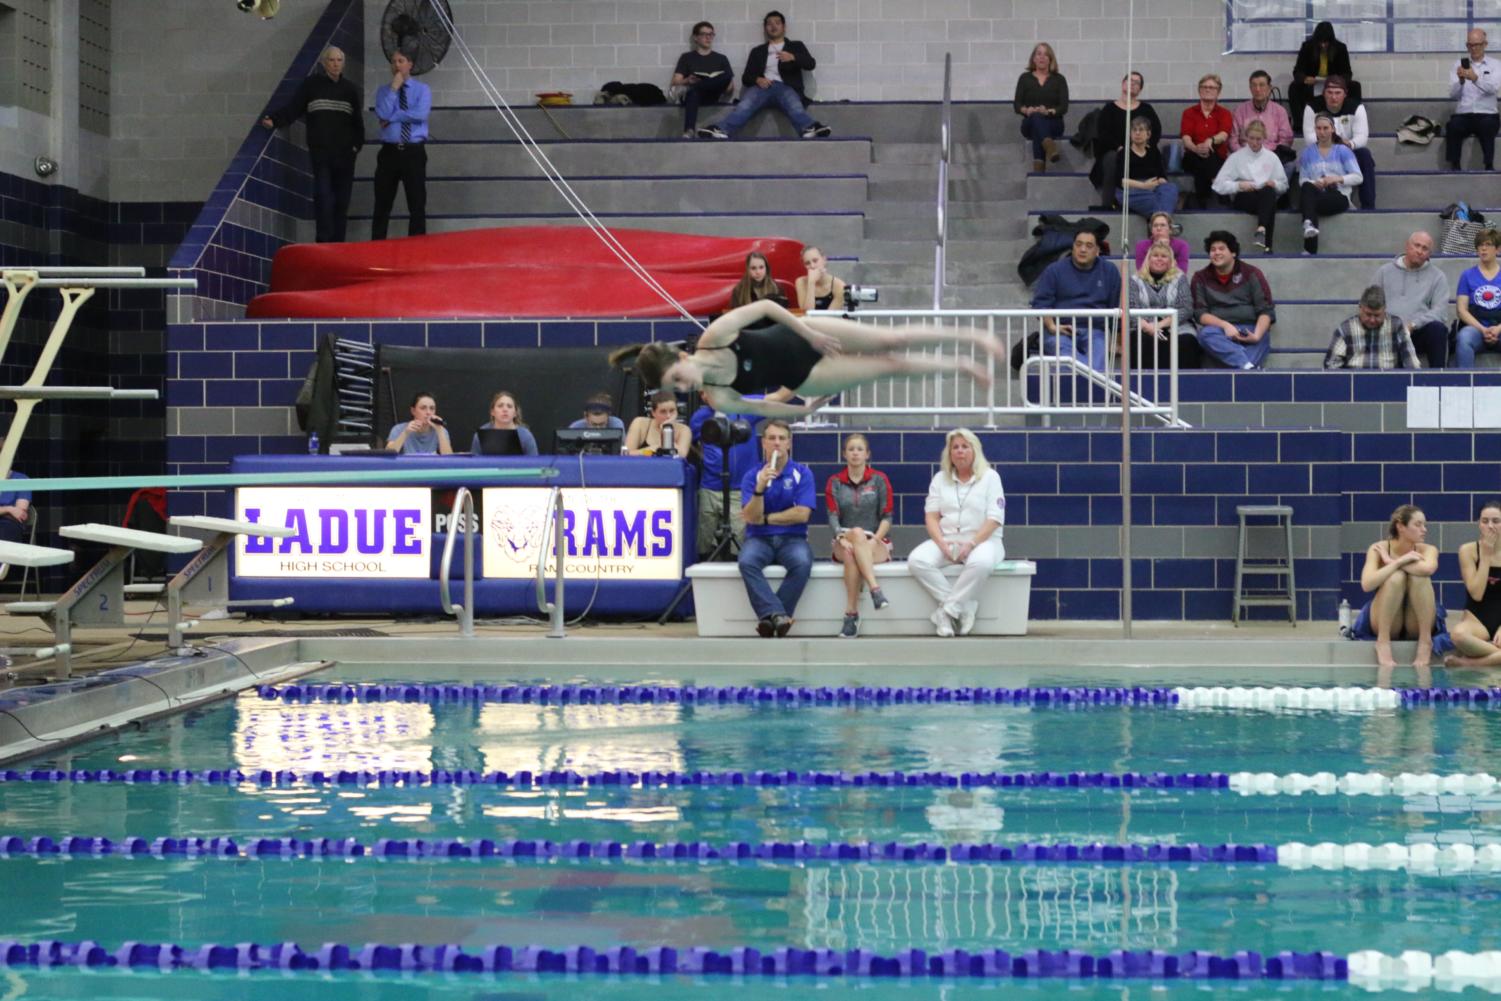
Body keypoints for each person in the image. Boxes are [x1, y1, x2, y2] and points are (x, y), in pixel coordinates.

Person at [609, 299, 1001, 419]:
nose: (684, 389)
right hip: (806, 376)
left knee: (890, 339)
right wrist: (804, 411)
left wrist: (810, 331)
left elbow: (765, 305)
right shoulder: (721, 396)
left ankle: (971, 335)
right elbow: (765, 408)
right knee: (889, 368)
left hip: (802, 335)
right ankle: (962, 367)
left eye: (678, 378)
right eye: (675, 390)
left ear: (682, 355)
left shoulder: (714, 338)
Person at [260, 46, 363, 243]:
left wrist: (355, 147)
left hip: (345, 156)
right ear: (324, 63)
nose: (335, 64)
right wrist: (275, 119)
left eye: (339, 60)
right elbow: (294, 107)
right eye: (331, 60)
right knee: (323, 197)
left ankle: (338, 244)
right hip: (321, 154)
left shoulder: (350, 90)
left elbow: (358, 124)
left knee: (341, 202)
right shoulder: (312, 85)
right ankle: (323, 242)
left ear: (343, 64)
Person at [909, 428, 1005, 638]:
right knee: (917, 560)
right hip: (948, 539)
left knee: (981, 563)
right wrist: (942, 543)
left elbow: (994, 519)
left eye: (965, 446)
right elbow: (931, 516)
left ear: (974, 450)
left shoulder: (990, 477)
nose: (960, 451)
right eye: (955, 447)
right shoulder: (940, 478)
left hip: (983, 541)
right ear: (949, 453)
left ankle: (946, 612)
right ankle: (965, 607)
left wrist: (971, 544)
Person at [696, 11, 830, 140]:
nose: (773, 26)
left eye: (777, 23)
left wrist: (793, 57)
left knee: (793, 103)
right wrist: (757, 79)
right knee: (745, 105)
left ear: (784, 27)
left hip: (786, 87)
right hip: (763, 88)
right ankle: (721, 130)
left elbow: (811, 64)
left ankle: (810, 128)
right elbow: (746, 77)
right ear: (765, 28)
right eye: (769, 24)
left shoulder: (795, 46)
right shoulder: (758, 51)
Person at [689, 391, 789, 558]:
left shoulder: (743, 407)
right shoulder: (700, 418)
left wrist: (803, 381)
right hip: (710, 488)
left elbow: (777, 398)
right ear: (703, 396)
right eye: (707, 392)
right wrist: (703, 457)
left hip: (739, 489)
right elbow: (690, 440)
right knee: (703, 542)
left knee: (739, 545)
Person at [738, 419, 815, 637]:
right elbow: (751, 517)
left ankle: (770, 616)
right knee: (746, 562)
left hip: (793, 538)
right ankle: (780, 616)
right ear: (763, 443)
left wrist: (765, 519)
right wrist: (760, 489)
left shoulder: (802, 473)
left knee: (802, 562)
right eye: (771, 438)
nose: (777, 443)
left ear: (789, 443)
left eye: (782, 439)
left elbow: (802, 514)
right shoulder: (752, 476)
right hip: (758, 539)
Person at [825, 433, 894, 638]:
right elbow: (832, 516)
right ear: (844, 454)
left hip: (875, 540)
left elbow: (887, 517)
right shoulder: (835, 482)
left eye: (859, 449)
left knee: (852, 551)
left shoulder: (879, 479)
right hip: (843, 539)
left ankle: (851, 615)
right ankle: (875, 589)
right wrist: (840, 536)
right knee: (853, 536)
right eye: (851, 449)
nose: (855, 453)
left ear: (867, 454)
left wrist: (873, 539)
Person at [1356, 504, 1439, 673]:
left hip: (1415, 621)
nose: (1424, 530)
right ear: (1400, 526)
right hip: (1386, 621)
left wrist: (1390, 561)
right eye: (1418, 524)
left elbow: (1428, 569)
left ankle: (1425, 641)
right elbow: (1367, 584)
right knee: (1395, 577)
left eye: (1424, 525)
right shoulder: (1379, 548)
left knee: (1420, 578)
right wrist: (1398, 562)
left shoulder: (1428, 549)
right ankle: (1383, 641)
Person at [1031, 228, 1121, 372]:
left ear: (1097, 250)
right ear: (1072, 247)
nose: (1083, 249)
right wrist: (1053, 327)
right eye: (1078, 244)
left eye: (1089, 246)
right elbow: (1041, 305)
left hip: (1095, 331)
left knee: (1098, 365)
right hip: (1060, 330)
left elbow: (1116, 309)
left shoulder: (1109, 271)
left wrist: (1117, 342)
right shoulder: (1054, 270)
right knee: (1069, 363)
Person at [1190, 230, 1275, 370]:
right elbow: (1200, 314)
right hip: (1219, 333)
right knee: (1205, 335)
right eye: (1213, 250)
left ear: (1233, 252)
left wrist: (1256, 335)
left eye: (1221, 249)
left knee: (1263, 337)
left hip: (1251, 328)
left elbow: (1266, 310)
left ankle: (1244, 366)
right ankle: (1246, 366)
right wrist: (1225, 325)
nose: (1216, 253)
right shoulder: (1200, 277)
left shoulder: (1252, 273)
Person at [370, 48, 430, 241]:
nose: (397, 65)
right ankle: (378, 245)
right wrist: (394, 89)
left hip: (413, 151)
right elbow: (382, 114)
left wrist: (393, 117)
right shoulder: (383, 91)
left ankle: (417, 246)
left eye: (401, 61)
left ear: (409, 64)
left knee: (416, 202)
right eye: (394, 62)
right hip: (390, 152)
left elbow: (420, 115)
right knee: (382, 202)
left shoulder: (422, 90)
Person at [1375, 232, 1451, 369]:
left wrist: (1413, 325)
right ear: (1407, 246)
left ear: (1429, 254)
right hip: (1389, 331)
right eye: (1417, 245)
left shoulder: (1438, 276)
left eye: (1425, 248)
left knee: (1438, 329)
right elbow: (1372, 302)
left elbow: (1440, 312)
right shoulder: (1384, 272)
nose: (1420, 251)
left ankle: (1439, 377)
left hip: (1418, 331)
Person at [1212, 120, 1288, 253]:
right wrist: (1239, 185)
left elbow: (1284, 185)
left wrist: (1274, 183)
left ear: (1264, 138)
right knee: (1269, 203)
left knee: (1269, 193)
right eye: (1251, 138)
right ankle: (1267, 246)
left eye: (1258, 139)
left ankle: (1261, 228)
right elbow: (1218, 185)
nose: (1254, 142)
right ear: (1246, 137)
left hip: (1264, 195)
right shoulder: (1236, 157)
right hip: (1244, 196)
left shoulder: (1271, 157)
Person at [1128, 240, 1202, 370]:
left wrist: (1159, 325)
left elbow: (1186, 308)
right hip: (1144, 326)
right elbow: (1130, 309)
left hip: (1177, 326)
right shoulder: (1135, 280)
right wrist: (1148, 327)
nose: (1159, 259)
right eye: (1155, 255)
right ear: (1148, 259)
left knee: (1186, 342)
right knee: (1140, 340)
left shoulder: (1180, 278)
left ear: (1170, 260)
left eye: (1164, 256)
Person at [1090, 71, 1160, 208]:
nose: (1133, 84)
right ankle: (1109, 203)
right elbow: (1103, 134)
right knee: (1112, 159)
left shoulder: (1146, 109)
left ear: (1140, 89)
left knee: (1154, 157)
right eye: (1130, 80)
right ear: (1123, 84)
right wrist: (1119, 148)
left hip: (1141, 149)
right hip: (1115, 151)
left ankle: (1151, 199)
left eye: (1137, 83)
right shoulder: (1109, 108)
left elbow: (1155, 131)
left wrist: (1140, 147)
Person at [1303, 76, 1375, 210]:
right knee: (1307, 155)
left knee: (1365, 155)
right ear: (1324, 93)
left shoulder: (1356, 107)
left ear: (1345, 94)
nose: (1333, 97)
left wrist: (1349, 145)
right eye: (1329, 93)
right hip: (1322, 150)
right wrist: (1334, 145)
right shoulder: (1312, 107)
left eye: (1337, 93)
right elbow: (1309, 138)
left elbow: (1362, 137)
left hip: (1347, 151)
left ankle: (1368, 207)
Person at [1296, 113, 1362, 255]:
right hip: (1317, 194)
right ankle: (1308, 223)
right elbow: (1302, 180)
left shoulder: (1343, 151)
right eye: (1319, 128)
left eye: (1326, 128)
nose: (1322, 132)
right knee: (1307, 188)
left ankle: (1309, 246)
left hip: (1339, 196)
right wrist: (1316, 183)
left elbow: (1358, 177)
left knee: (1307, 204)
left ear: (1332, 129)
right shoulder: (1307, 153)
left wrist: (1336, 179)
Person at [1447, 500, 1501, 668]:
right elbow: (1476, 594)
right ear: (1479, 524)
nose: (1490, 526)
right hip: (1477, 619)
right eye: (1485, 521)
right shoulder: (1468, 550)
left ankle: (1469, 664)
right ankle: (1496, 658)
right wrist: (1485, 556)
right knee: (1458, 635)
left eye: (1496, 521)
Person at [1323, 286, 1422, 370]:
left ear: (1384, 310)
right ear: (1360, 308)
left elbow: (1411, 364)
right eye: (1368, 314)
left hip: (1389, 383)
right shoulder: (1345, 329)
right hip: (1355, 384)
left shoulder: (1396, 326)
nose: (1372, 320)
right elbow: (1331, 365)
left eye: (1377, 315)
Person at [1448, 29, 1500, 171]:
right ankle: (1455, 165)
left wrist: (1475, 78)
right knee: (1453, 126)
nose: (1474, 48)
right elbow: (1453, 95)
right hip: (1465, 113)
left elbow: (1493, 89)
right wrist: (1461, 81)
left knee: (1488, 126)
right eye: (1470, 45)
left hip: (1487, 113)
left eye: (1477, 44)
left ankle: (1488, 165)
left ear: (1485, 44)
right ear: (1467, 46)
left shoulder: (1496, 65)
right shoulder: (1458, 65)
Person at [1179, 74, 1233, 209]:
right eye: (1204, 87)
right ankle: (1221, 191)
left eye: (1212, 87)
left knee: (1206, 158)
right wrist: (1196, 148)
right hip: (1192, 155)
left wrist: (1210, 141)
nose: (1208, 90)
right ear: (1199, 90)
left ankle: (1202, 200)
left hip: (1217, 157)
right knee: (1201, 157)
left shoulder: (1224, 113)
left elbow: (1224, 135)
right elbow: (1186, 138)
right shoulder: (1189, 113)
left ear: (1218, 92)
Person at [672, 21, 733, 139]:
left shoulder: (721, 58)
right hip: (694, 97)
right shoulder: (686, 57)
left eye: (711, 34)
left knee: (727, 75)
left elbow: (729, 88)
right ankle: (689, 130)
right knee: (693, 92)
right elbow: (675, 82)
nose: (708, 37)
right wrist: (687, 80)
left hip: (712, 95)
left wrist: (718, 83)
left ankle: (693, 87)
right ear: (696, 37)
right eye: (704, 34)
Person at [1013, 42, 1068, 173]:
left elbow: (1064, 107)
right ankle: (1050, 147)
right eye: (1039, 54)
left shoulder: (1059, 79)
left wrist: (1048, 111)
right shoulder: (1024, 78)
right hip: (1029, 122)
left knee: (1038, 127)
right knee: (1036, 117)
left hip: (1054, 123)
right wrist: (1026, 110)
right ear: (1034, 58)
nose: (1042, 57)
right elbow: (1017, 105)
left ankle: (1039, 169)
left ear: (1050, 59)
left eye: (1046, 55)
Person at [1290, 21, 1356, 126]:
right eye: (1320, 42)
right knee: (1294, 88)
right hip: (1312, 85)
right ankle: (1299, 124)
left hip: (1333, 85)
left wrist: (1337, 81)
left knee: (1355, 86)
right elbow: (1297, 72)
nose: (1323, 45)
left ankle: (1351, 122)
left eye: (1326, 42)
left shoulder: (1340, 48)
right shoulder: (1307, 47)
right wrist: (1305, 79)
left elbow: (1347, 73)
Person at [1114, 116, 1178, 218]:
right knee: (1154, 199)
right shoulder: (1123, 153)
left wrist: (1161, 180)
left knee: (1171, 188)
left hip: (1152, 187)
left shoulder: (1154, 152)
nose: (1137, 133)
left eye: (1141, 130)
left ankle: (1158, 222)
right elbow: (1120, 181)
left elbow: (1162, 176)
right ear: (1130, 134)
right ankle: (1164, 222)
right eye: (1134, 130)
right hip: (1131, 190)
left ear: (1148, 134)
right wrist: (1143, 185)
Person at [1229, 69, 1297, 166]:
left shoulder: (1280, 111)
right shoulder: (1239, 111)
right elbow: (1233, 140)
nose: (1257, 89)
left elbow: (1286, 139)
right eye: (1254, 85)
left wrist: (1268, 155)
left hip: (1272, 157)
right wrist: (1244, 155)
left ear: (1269, 88)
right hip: (1245, 158)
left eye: (1261, 85)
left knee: (1290, 165)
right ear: (1250, 88)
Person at [1454, 228, 1501, 367]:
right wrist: (1483, 329)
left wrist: (1497, 329)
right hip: (1476, 328)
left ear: (1497, 249)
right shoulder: (1467, 276)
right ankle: (1464, 384)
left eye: (1488, 244)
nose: (1483, 249)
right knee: (1464, 338)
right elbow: (1461, 310)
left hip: (1499, 327)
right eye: (1480, 245)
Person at [624, 389, 692, 458]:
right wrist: (655, 449)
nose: (668, 416)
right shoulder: (640, 423)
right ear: (653, 413)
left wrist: (667, 434)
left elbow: (682, 455)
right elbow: (626, 454)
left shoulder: (684, 430)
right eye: (663, 411)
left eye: (672, 411)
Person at [469, 390, 539, 455]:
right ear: (492, 412)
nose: (505, 409)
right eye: (500, 406)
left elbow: (535, 464)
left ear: (515, 413)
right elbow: (474, 464)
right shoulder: (480, 435)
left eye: (509, 406)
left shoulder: (525, 436)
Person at [387, 391, 453, 454]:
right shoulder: (399, 429)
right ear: (413, 411)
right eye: (423, 408)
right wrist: (405, 433)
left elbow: (449, 459)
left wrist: (440, 431)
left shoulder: (440, 430)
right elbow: (388, 454)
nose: (428, 412)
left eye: (432, 408)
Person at [794, 246, 846, 311]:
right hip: (807, 321)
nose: (812, 266)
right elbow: (806, 313)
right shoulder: (800, 282)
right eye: (807, 263)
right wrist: (811, 283)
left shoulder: (839, 286)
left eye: (815, 261)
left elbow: (829, 317)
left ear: (824, 260)